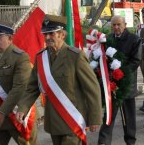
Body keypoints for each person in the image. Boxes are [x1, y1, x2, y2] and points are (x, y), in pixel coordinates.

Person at [16, 14, 102, 145]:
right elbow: (32, 88)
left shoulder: (75, 56)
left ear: (62, 34)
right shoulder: (41, 58)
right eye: (45, 34)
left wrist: (95, 118)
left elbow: (92, 88)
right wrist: (23, 107)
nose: (47, 37)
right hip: (53, 121)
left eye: (51, 34)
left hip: (72, 119)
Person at [98, 15, 142, 145]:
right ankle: (103, 141)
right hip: (111, 83)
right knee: (109, 114)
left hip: (127, 83)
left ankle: (130, 140)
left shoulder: (134, 39)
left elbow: (136, 60)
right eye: (114, 25)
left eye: (119, 24)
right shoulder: (108, 39)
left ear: (125, 24)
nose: (116, 27)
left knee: (129, 115)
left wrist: (120, 72)